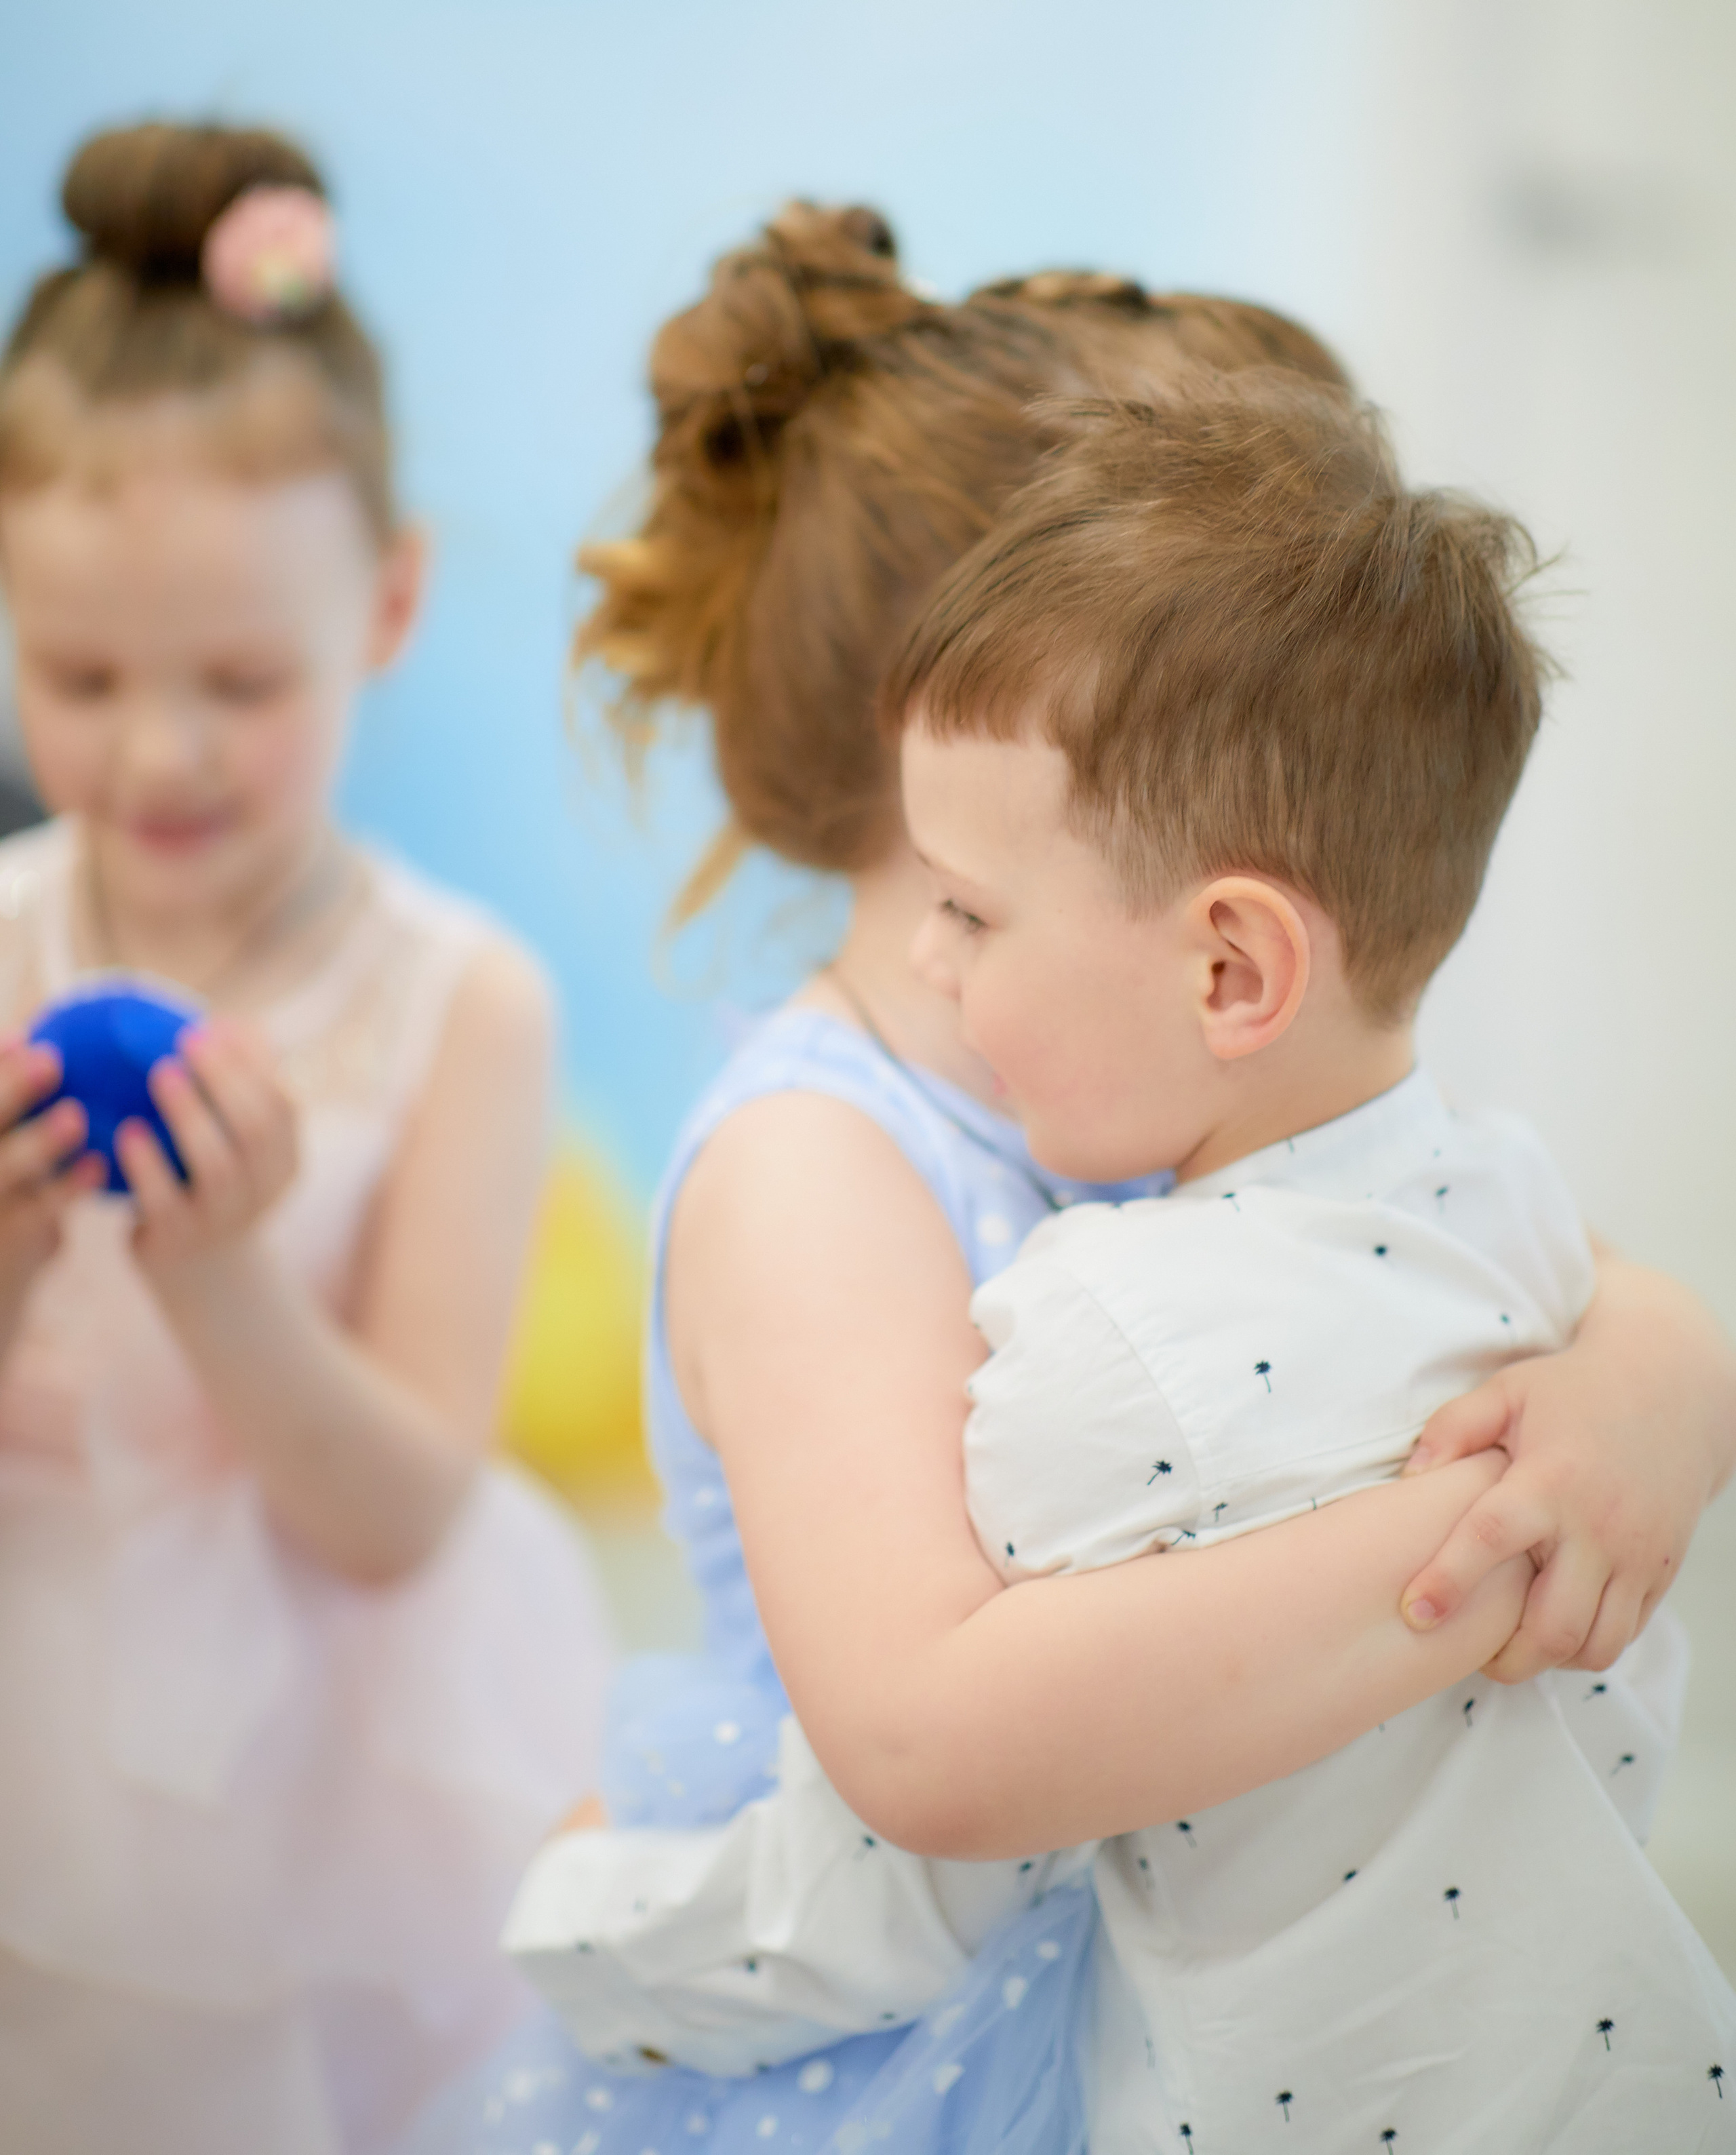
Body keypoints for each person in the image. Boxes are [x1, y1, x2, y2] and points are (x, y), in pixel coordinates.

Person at [407, 207, 1736, 2155]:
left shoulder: (1160, 1075)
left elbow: (1478, 1241)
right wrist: (1487, 1547)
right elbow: (929, 1729)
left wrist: (1663, 1374)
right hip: (908, 2061)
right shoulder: (820, 1161)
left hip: (1170, 2017)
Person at [0, 122, 613, 2154]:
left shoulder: (463, 1002)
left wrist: (217, 1270)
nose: (156, 751)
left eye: (239, 680)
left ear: (393, 598)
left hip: (318, 1741)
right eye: (79, 676)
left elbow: (400, 1515)